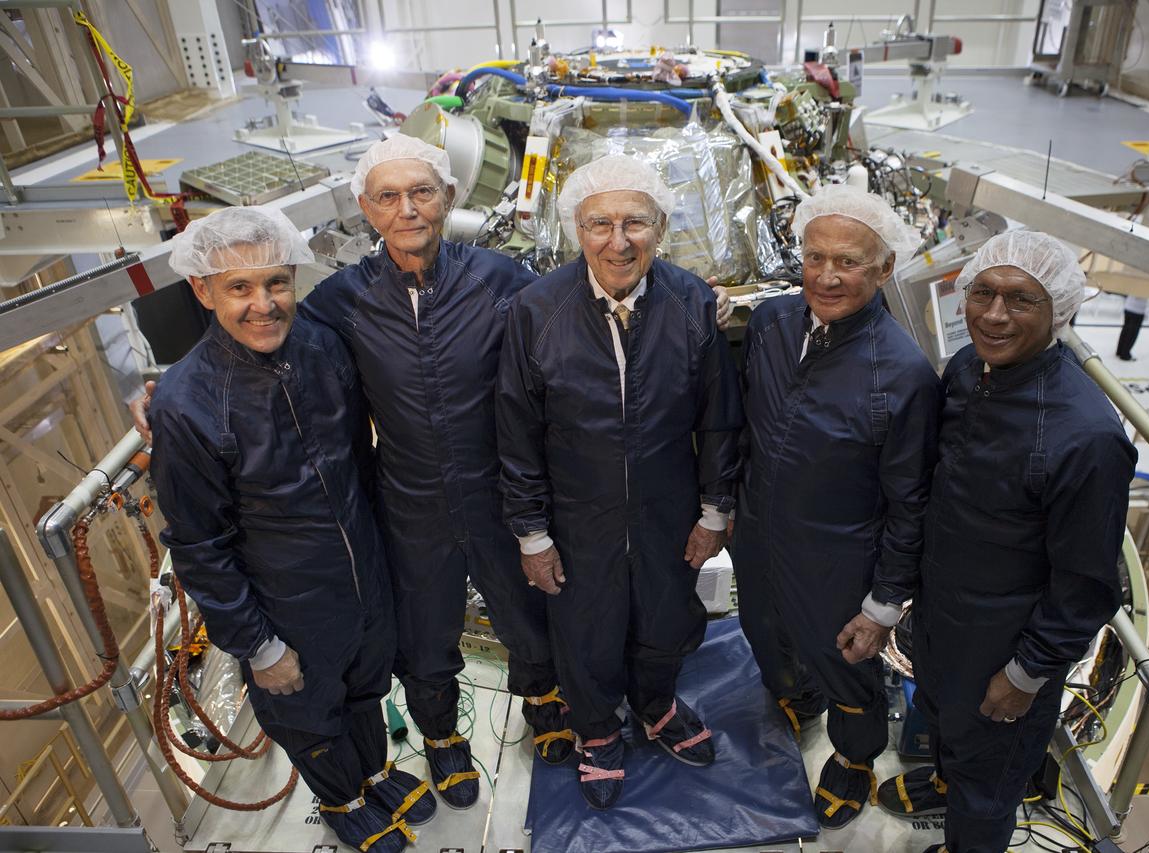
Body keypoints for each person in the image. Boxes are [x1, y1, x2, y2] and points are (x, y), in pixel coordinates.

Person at [129, 138, 734, 804]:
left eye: (422, 192)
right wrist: (173, 388)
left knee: (531, 616)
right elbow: (261, 327)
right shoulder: (341, 300)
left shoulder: (501, 281)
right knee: (425, 634)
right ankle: (442, 736)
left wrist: (691, 300)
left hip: (500, 492)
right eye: (387, 197)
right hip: (408, 500)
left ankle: (545, 703)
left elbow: (583, 304)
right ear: (365, 208)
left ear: (448, 197)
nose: (407, 209)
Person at [148, 207, 431, 853]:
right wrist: (257, 646)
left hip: (360, 574)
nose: (264, 304)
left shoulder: (320, 348)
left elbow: (359, 459)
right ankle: (341, 799)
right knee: (308, 710)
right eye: (239, 287)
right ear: (202, 290)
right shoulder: (186, 405)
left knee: (363, 688)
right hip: (286, 602)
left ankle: (375, 774)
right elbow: (198, 545)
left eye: (276, 282)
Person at [875, 231, 1137, 853]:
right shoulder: (972, 369)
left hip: (1005, 641)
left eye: (1021, 299)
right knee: (944, 721)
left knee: (988, 783)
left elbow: (1086, 583)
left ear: (1059, 310)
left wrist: (1026, 673)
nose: (994, 315)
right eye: (983, 293)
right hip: (943, 615)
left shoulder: (1086, 436)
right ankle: (945, 780)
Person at [495, 154, 743, 810]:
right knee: (586, 630)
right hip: (578, 514)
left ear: (660, 227)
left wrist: (714, 510)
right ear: (576, 230)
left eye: (636, 222)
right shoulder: (537, 310)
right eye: (599, 224)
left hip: (669, 507)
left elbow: (720, 418)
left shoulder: (691, 302)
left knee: (667, 617)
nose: (619, 241)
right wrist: (531, 534)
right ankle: (598, 729)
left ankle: (656, 706)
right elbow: (516, 434)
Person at [732, 185, 940, 829]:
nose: (826, 276)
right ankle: (797, 696)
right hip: (757, 531)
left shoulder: (902, 374)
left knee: (846, 665)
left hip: (837, 554)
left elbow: (911, 504)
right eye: (815, 257)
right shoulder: (771, 324)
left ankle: (854, 758)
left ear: (884, 268)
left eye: (848, 262)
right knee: (763, 629)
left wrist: (883, 604)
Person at [1115, 294, 1147, 361]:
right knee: (1132, 333)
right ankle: (1125, 354)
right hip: (1138, 309)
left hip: (1129, 305)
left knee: (1126, 329)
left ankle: (1119, 351)